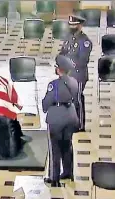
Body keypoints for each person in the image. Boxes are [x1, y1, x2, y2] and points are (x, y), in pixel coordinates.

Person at [42, 55, 81, 187]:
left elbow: (46, 103)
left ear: (59, 70)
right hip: (70, 116)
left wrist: (45, 107)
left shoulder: (54, 85)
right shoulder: (74, 82)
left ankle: (54, 178)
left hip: (56, 118)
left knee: (55, 149)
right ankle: (68, 172)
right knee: (67, 145)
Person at [59, 15, 92, 132]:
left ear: (80, 25)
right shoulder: (68, 37)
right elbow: (62, 52)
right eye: (70, 25)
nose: (71, 27)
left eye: (74, 25)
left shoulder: (85, 41)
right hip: (67, 74)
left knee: (76, 98)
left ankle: (80, 125)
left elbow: (82, 61)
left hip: (79, 74)